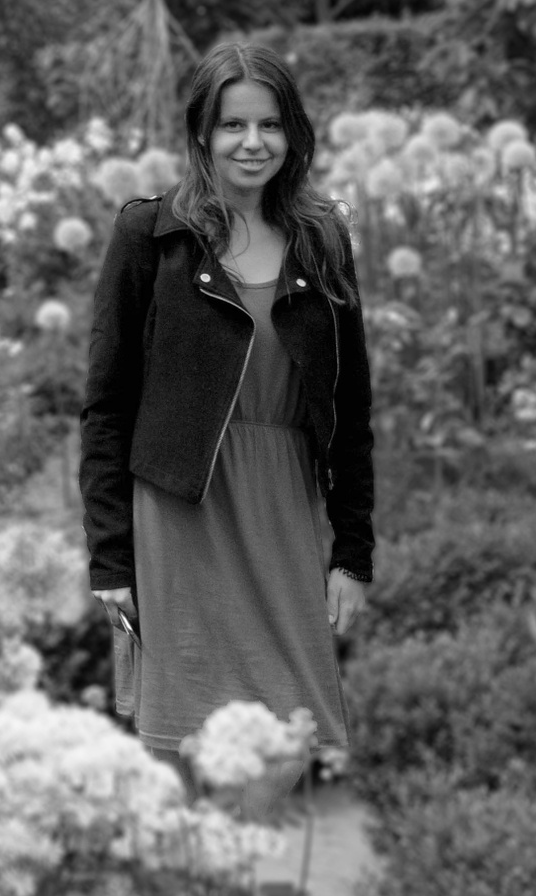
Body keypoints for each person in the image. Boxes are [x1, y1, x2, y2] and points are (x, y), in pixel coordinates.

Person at [78, 40, 373, 763]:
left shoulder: (322, 240)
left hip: (285, 509)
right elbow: (106, 405)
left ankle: (280, 869)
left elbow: (353, 408)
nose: (252, 142)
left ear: (292, 132)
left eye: (270, 124)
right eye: (233, 124)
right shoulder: (151, 235)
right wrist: (110, 560)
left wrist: (353, 553)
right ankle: (203, 876)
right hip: (182, 511)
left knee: (296, 735)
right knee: (193, 745)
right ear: (202, 133)